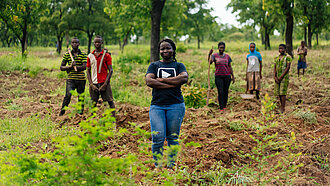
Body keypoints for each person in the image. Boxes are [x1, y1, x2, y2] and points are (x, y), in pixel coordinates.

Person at [145, 38, 188, 168]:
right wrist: (172, 83)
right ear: (159, 51)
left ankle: (171, 166)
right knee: (158, 137)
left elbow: (184, 78)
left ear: (173, 49)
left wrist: (161, 81)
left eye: (168, 48)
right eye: (162, 48)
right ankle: (158, 166)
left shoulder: (179, 65)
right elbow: (149, 81)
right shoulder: (154, 66)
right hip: (157, 106)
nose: (165, 50)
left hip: (176, 105)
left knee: (172, 137)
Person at [86, 35, 115, 116]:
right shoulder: (90, 56)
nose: (97, 44)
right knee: (93, 103)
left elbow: (111, 70)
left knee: (110, 101)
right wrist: (91, 84)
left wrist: (105, 84)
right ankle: (92, 121)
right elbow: (88, 71)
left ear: (102, 43)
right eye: (95, 42)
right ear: (93, 43)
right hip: (94, 83)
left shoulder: (106, 55)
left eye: (99, 42)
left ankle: (113, 121)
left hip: (104, 83)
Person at [59, 37, 87, 116]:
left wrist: (76, 67)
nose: (74, 44)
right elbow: (61, 67)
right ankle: (62, 112)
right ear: (71, 44)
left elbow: (84, 66)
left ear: (79, 44)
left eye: (76, 43)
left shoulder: (83, 54)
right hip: (71, 79)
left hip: (81, 79)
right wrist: (70, 66)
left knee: (81, 96)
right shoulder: (67, 55)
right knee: (68, 95)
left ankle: (80, 114)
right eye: (73, 43)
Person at [208, 42, 235, 111]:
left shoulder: (227, 56)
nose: (221, 49)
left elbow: (230, 67)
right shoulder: (214, 56)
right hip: (218, 76)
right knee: (220, 91)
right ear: (218, 48)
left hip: (227, 76)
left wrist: (233, 76)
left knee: (226, 91)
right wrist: (209, 54)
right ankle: (221, 107)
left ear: (224, 48)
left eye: (223, 48)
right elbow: (210, 62)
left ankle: (225, 106)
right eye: (220, 48)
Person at [274, 44, 292, 113]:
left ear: (285, 49)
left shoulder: (288, 57)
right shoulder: (276, 58)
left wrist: (281, 76)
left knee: (283, 93)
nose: (280, 50)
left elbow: (288, 67)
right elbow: (275, 67)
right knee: (278, 92)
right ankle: (281, 106)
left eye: (282, 48)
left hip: (284, 77)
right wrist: (275, 76)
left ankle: (283, 108)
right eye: (279, 48)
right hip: (277, 77)